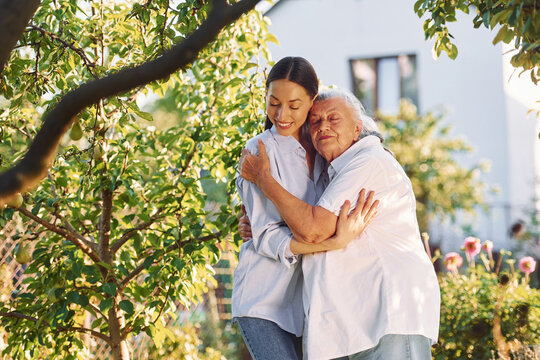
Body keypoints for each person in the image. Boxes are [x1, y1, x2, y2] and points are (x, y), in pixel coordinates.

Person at [240, 87, 440, 360]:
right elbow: (304, 222)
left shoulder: (369, 162)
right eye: (315, 121)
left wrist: (265, 179)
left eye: (333, 119)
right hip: (358, 326)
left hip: (387, 319)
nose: (323, 127)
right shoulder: (332, 175)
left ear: (357, 128)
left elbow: (312, 229)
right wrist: (263, 224)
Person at [232, 58, 379, 360]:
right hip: (263, 302)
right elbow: (266, 237)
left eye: (294, 105)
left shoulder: (326, 149)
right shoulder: (259, 152)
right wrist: (335, 241)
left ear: (313, 101)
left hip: (310, 305)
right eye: (273, 103)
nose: (281, 115)